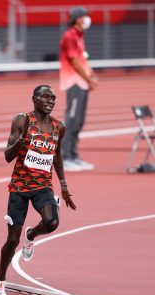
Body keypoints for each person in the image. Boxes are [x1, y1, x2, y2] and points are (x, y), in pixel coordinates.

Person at [0, 85, 76, 295]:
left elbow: (56, 156)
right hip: (19, 187)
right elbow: (7, 156)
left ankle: (32, 234)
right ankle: (1, 279)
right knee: (12, 240)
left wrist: (64, 185)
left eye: (53, 98)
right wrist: (21, 140)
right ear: (34, 99)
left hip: (43, 186)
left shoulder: (59, 127)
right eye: (46, 97)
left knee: (52, 222)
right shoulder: (22, 120)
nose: (50, 101)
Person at [60, 6, 98, 172]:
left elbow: (83, 60)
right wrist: (88, 78)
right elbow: (75, 62)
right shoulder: (70, 36)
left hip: (81, 83)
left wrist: (92, 76)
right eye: (84, 16)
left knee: (79, 121)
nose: (87, 19)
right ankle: (65, 156)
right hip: (74, 83)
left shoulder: (79, 36)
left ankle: (73, 155)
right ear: (77, 19)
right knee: (72, 119)